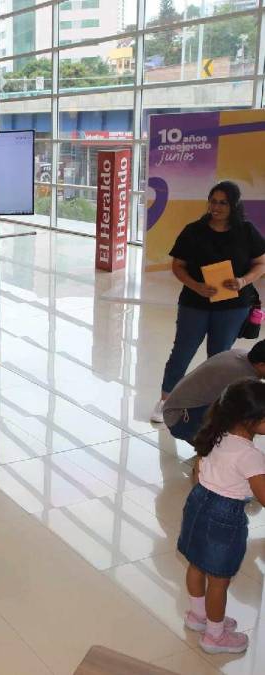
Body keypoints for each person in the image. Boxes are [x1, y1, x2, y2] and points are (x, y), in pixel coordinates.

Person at [152, 181, 265, 423]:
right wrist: (197, 286)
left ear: (234, 205)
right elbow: (178, 266)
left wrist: (244, 280)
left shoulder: (246, 231)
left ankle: (215, 405)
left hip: (233, 306)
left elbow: (260, 262)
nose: (216, 207)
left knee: (219, 357)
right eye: (213, 201)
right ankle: (165, 400)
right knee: (182, 351)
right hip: (195, 303)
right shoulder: (194, 230)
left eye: (223, 202)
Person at [177, 378, 265, 655]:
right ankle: (215, 636)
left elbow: (198, 470)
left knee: (197, 564)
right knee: (219, 581)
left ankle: (198, 616)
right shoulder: (250, 455)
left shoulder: (216, 434)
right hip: (225, 516)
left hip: (198, 502)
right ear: (250, 420)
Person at [163, 340, 265, 443]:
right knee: (244, 421)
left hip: (177, 409)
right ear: (261, 365)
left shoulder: (243, 354)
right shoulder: (243, 378)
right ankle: (207, 448)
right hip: (179, 419)